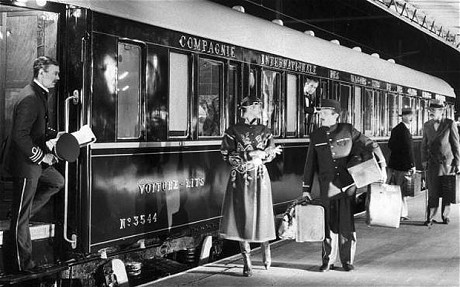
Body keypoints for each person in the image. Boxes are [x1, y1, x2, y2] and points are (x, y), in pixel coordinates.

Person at [302, 99, 387, 272]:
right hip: (327, 187)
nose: (321, 117)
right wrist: (306, 189)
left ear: (335, 115)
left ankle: (347, 260)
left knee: (346, 224)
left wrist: (383, 165)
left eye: (325, 114)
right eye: (321, 114)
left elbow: (371, 144)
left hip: (348, 185)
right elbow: (310, 164)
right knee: (328, 224)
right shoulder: (316, 135)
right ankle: (328, 260)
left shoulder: (348, 130)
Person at [2, 56, 64, 273]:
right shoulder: (30, 97)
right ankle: (23, 265)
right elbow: (20, 135)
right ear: (41, 73)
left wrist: (58, 135)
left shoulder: (38, 95)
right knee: (21, 217)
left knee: (57, 181)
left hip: (33, 162)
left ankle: (21, 214)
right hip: (26, 163)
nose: (57, 77)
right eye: (54, 73)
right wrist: (42, 157)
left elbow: (38, 129)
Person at [220, 95, 282, 277]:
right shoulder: (233, 130)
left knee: (262, 213)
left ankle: (266, 248)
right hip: (240, 178)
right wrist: (252, 154)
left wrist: (266, 154)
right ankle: (246, 259)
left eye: (258, 107)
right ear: (244, 109)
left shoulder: (265, 130)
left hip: (260, 176)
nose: (257, 110)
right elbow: (226, 155)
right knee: (242, 216)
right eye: (254, 107)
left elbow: (271, 154)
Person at [421, 99, 460, 226]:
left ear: (441, 111)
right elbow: (423, 145)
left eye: (433, 110)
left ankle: (445, 216)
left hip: (447, 163)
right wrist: (423, 160)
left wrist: (458, 163)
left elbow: (456, 144)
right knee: (433, 191)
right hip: (432, 163)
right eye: (430, 110)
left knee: (447, 191)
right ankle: (430, 217)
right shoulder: (427, 125)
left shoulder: (449, 124)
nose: (431, 112)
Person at [387, 107, 416, 221]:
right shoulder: (403, 130)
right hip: (402, 165)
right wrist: (412, 164)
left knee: (398, 189)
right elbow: (409, 150)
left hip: (395, 164)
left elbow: (390, 145)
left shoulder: (397, 129)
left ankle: (401, 212)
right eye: (409, 116)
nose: (411, 118)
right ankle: (400, 214)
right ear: (403, 116)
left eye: (411, 116)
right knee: (400, 190)